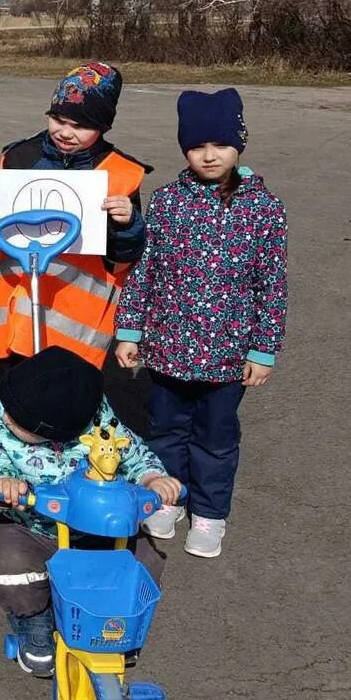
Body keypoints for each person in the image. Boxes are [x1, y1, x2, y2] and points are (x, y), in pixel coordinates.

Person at [115, 88, 287, 559]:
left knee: (215, 439)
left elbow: (272, 285)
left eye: (219, 144)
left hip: (228, 358)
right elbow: (145, 270)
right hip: (169, 349)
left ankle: (211, 515)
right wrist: (130, 331)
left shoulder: (264, 208)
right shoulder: (168, 202)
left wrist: (262, 350)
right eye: (196, 146)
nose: (208, 155)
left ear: (239, 144)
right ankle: (167, 500)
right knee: (165, 431)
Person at [0, 346, 182, 677]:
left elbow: (134, 453)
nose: (5, 417)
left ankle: (116, 620)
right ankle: (34, 621)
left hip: (96, 528)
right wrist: (0, 484)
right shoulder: (0, 433)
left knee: (143, 560)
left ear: (57, 431)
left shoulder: (100, 425)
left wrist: (153, 477)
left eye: (17, 419)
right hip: (31, 525)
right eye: (6, 408)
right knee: (9, 566)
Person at [0, 62, 150, 368]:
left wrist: (128, 223)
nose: (66, 132)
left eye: (80, 126)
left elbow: (127, 252)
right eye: (58, 120)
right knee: (8, 401)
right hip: (15, 312)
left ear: (102, 127)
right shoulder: (19, 156)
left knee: (64, 406)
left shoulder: (120, 173)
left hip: (75, 326)